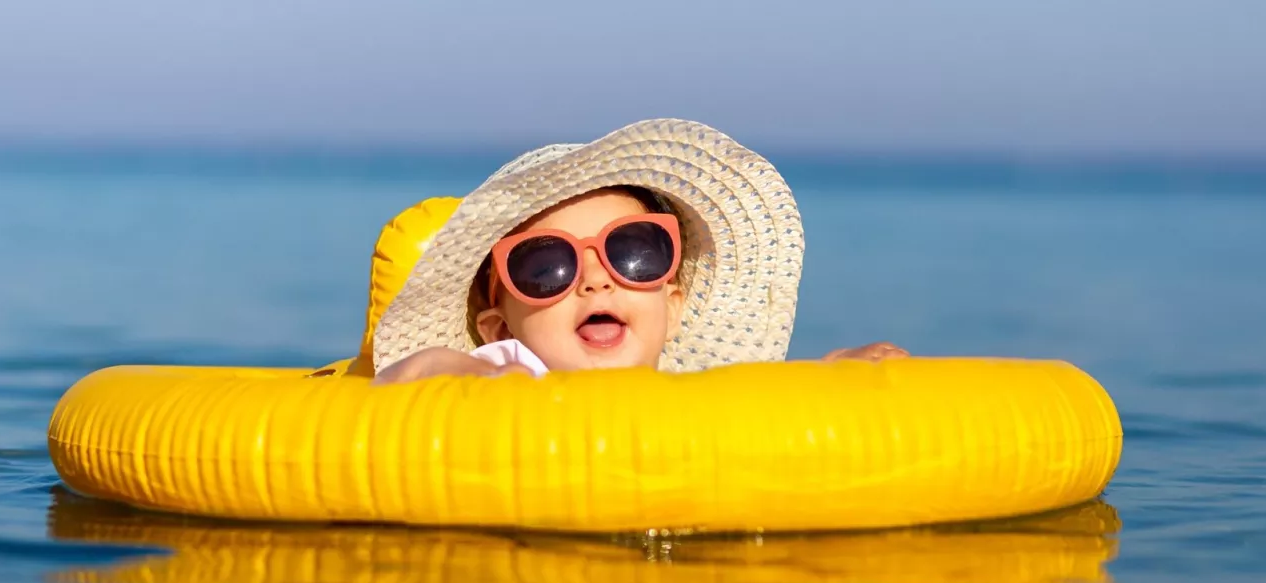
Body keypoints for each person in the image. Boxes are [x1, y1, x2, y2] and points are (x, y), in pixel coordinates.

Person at [369, 118, 906, 385]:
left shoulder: (687, 395)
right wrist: (468, 375)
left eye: (632, 252)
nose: (596, 281)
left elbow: (763, 399)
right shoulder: (511, 371)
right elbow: (410, 377)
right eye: (545, 265)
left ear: (671, 309)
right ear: (500, 329)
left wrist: (831, 375)